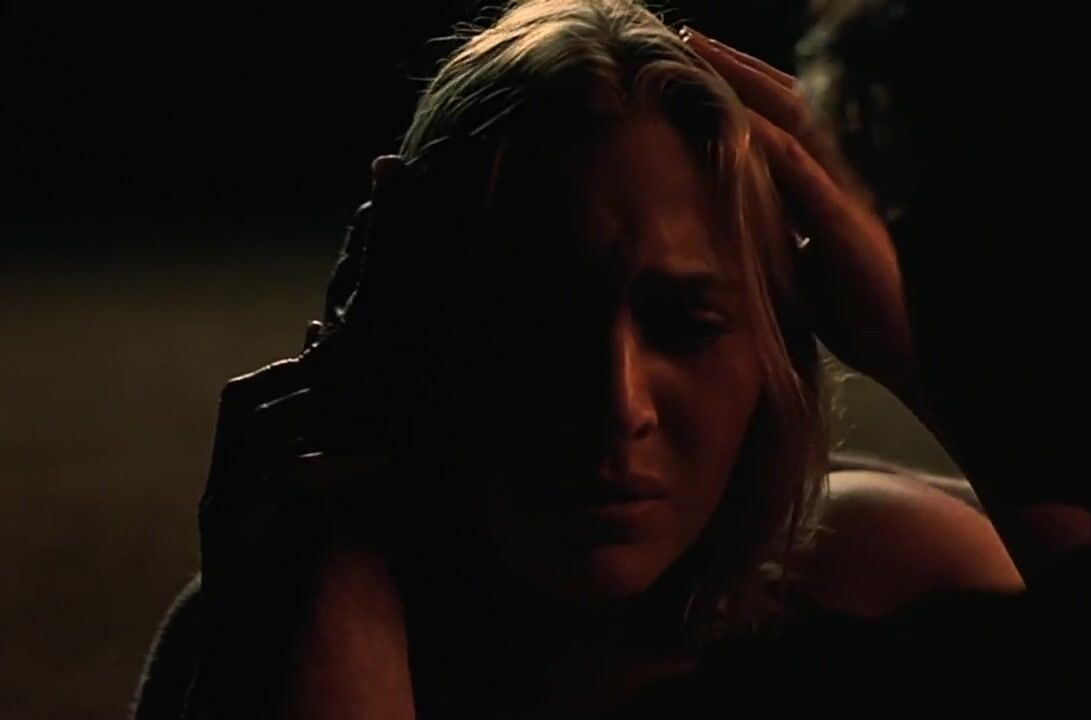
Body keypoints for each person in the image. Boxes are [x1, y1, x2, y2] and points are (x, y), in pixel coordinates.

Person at [132, 1, 1081, 717]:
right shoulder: (279, 625)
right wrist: (323, 557)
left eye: (687, 322)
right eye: (536, 319)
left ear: (777, 337)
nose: (613, 402)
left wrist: (929, 363)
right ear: (416, 310)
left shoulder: (887, 589)